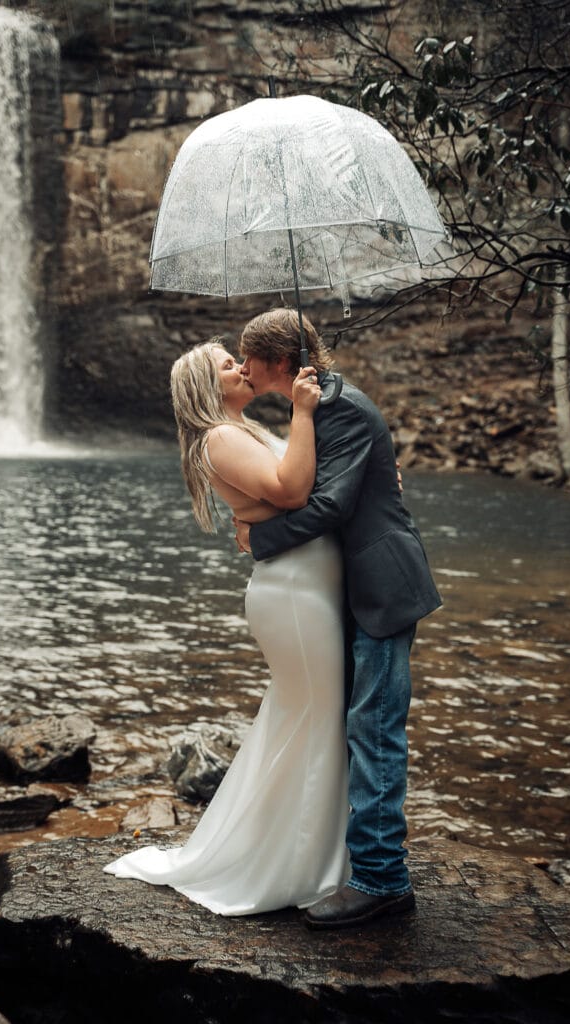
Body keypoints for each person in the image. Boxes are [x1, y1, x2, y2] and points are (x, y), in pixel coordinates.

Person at [103, 339, 351, 915]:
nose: (242, 368)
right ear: (203, 387)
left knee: (310, 720)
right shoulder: (219, 438)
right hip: (292, 593)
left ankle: (310, 852)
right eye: (227, 365)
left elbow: (304, 482)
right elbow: (291, 491)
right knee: (316, 718)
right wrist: (305, 412)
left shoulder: (242, 431)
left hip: (306, 586)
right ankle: (295, 867)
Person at [235, 309, 442, 930]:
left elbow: (328, 504)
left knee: (374, 728)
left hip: (381, 586)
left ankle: (382, 881)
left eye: (248, 358)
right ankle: (361, 862)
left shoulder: (340, 408)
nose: (243, 369)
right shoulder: (322, 407)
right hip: (356, 586)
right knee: (359, 721)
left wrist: (258, 535)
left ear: (277, 360)